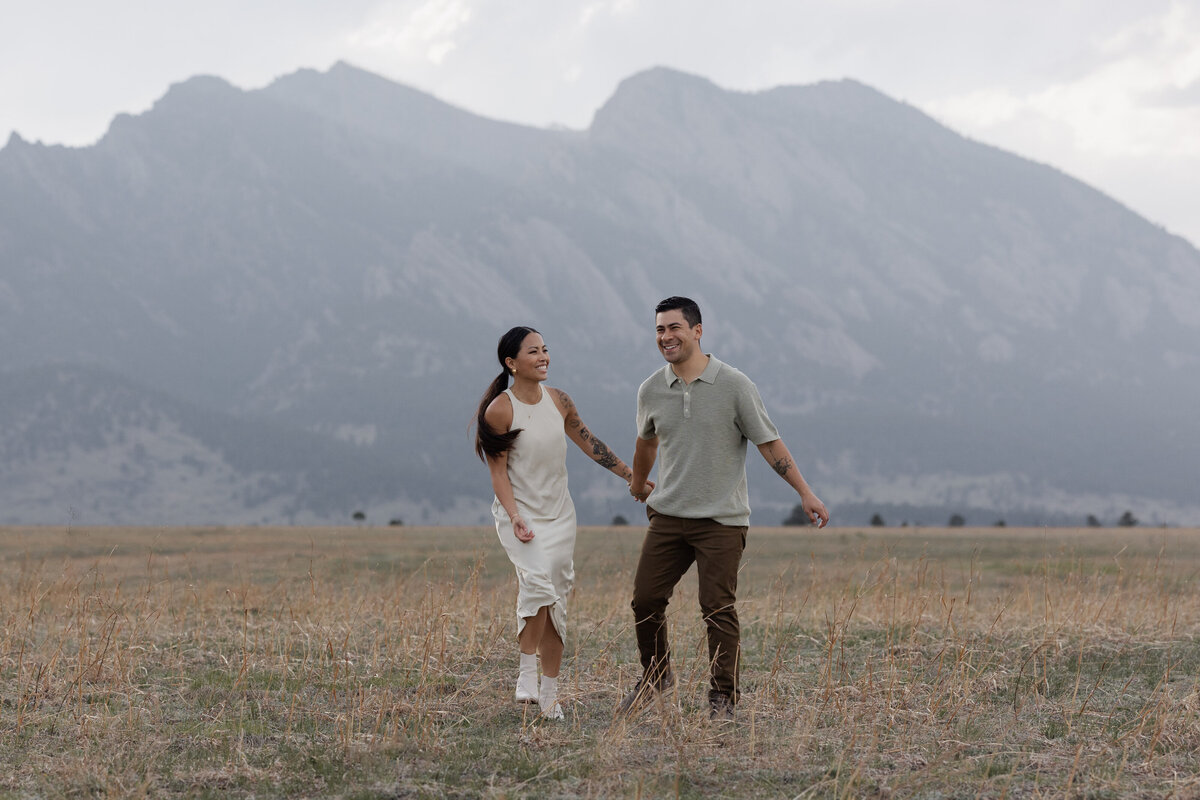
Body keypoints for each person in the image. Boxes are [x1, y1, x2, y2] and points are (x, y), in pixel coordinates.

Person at [621, 296, 829, 720]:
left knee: (717, 607)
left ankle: (723, 698)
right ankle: (656, 677)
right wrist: (639, 482)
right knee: (645, 600)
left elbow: (768, 443)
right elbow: (646, 442)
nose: (666, 337)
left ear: (697, 331)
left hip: (721, 520)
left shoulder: (735, 385)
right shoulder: (652, 389)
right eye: (659, 329)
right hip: (668, 515)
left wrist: (805, 492)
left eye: (674, 328)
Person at [475, 325, 645, 720]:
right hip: (520, 515)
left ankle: (550, 693)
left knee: (556, 601)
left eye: (545, 349)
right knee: (536, 582)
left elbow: (590, 443)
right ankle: (526, 673)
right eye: (533, 352)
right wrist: (516, 517)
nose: (543, 357)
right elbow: (498, 475)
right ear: (511, 363)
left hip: (560, 516)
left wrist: (631, 477)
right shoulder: (500, 409)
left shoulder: (560, 400)